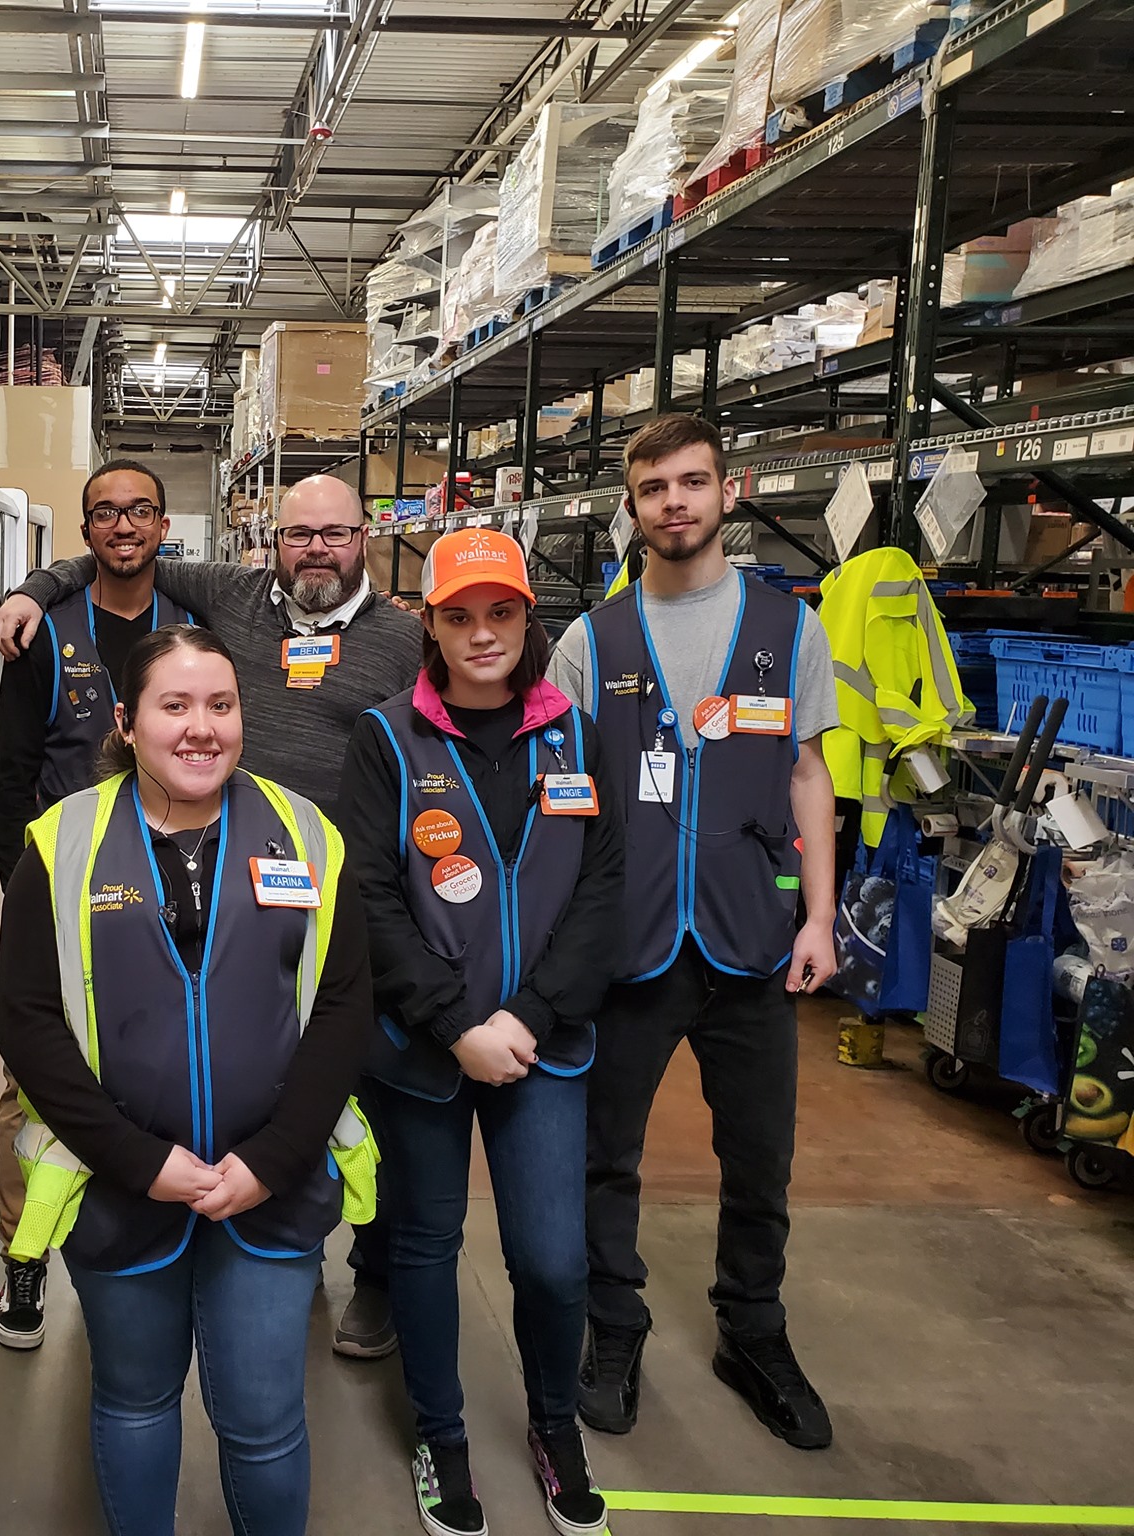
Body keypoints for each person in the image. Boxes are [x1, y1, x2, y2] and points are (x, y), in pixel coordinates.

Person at [0, 472, 421, 1360]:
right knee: (84, 1062)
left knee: (323, 1063)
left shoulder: (403, 640)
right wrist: (33, 587)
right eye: (298, 533)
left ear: (367, 538)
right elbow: (118, 552)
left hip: (323, 893)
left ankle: (334, 1256)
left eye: (336, 533)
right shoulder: (236, 597)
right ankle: (29, 1254)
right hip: (156, 872)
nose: (315, 548)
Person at [0, 625, 375, 1536]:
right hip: (121, 1187)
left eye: (221, 705)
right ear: (127, 724)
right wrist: (137, 1160)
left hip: (270, 1187)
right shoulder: (63, 843)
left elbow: (342, 1007)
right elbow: (30, 1023)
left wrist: (276, 1158)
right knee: (134, 1401)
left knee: (264, 1417)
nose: (201, 727)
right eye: (174, 705)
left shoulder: (305, 834)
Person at [548, 413, 840, 1450]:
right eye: (652, 488)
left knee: (760, 1160)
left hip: (750, 940)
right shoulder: (590, 641)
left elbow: (808, 774)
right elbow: (561, 797)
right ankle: (613, 1325)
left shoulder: (789, 630)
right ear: (630, 508)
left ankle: (752, 1331)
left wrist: (818, 916)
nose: (673, 503)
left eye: (690, 482)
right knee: (603, 1157)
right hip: (627, 950)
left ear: (727, 491)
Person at [338, 529, 623, 1536]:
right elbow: (369, 897)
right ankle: (439, 1435)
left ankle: (554, 1427)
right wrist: (456, 1022)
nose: (481, 633)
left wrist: (528, 1017)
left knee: (550, 1259)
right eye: (458, 616)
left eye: (499, 612)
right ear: (430, 624)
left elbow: (602, 892)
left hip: (542, 1046)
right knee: (423, 1245)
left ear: (526, 616)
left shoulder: (580, 738)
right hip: (422, 1047)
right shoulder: (384, 740)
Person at [0, 457, 188, 1352]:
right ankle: (23, 1254)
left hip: (171, 888)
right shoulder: (46, 633)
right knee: (33, 1078)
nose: (124, 526)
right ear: (85, 531)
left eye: (140, 510)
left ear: (163, 525)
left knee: (156, 1056)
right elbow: (15, 777)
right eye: (105, 513)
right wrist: (24, 894)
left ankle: (152, 1226)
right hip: (64, 889)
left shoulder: (196, 624)